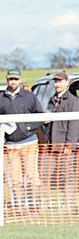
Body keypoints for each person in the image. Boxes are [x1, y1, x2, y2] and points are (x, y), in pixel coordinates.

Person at [0, 68, 45, 213]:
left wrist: (28, 128)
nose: (13, 81)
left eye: (16, 79)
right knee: (15, 177)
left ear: (20, 80)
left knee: (31, 175)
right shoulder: (0, 98)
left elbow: (40, 116)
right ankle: (18, 205)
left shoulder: (29, 96)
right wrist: (3, 127)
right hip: (11, 144)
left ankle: (34, 204)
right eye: (11, 79)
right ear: (7, 80)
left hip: (29, 142)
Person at [46, 71, 79, 212]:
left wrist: (69, 145)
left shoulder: (73, 101)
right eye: (56, 81)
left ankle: (68, 204)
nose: (57, 84)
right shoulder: (52, 99)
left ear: (66, 82)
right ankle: (47, 204)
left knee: (67, 176)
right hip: (50, 144)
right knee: (46, 175)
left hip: (64, 145)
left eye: (60, 81)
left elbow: (74, 125)